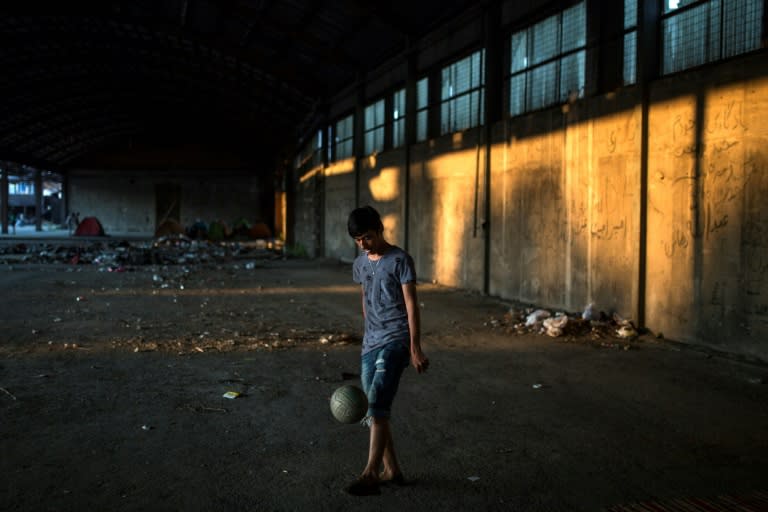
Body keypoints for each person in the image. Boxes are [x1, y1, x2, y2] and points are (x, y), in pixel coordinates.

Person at [344, 205, 430, 496]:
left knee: (378, 398)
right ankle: (392, 471)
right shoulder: (359, 264)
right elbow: (365, 300)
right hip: (371, 342)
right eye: (357, 240)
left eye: (367, 237)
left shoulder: (400, 260)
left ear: (379, 229)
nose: (363, 244)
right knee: (374, 411)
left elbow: (411, 306)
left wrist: (414, 347)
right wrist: (367, 334)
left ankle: (369, 473)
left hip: (396, 340)